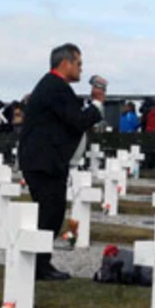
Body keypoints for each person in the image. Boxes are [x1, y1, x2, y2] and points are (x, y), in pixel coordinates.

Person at [19, 43, 104, 281]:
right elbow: (78, 121)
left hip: (45, 159)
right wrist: (97, 103)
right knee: (50, 213)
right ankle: (38, 265)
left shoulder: (53, 87)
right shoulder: (55, 87)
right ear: (65, 63)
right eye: (78, 63)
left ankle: (38, 262)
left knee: (51, 212)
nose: (81, 69)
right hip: (44, 161)